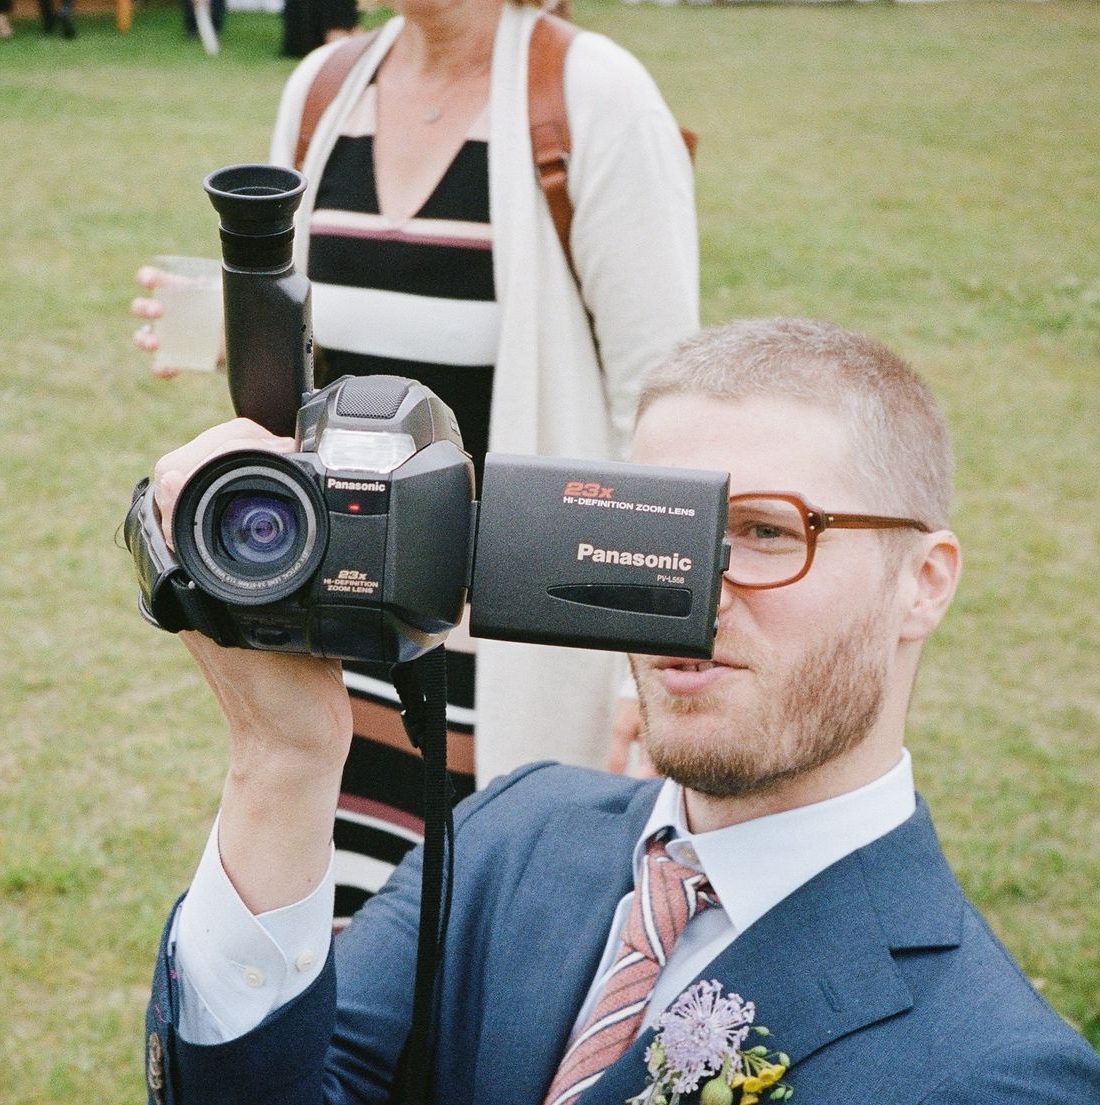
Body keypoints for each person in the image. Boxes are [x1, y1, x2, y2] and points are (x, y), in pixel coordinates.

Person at [137, 318, 1100, 1105]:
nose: (693, 591)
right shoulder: (513, 830)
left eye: (770, 531)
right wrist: (285, 763)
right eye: (661, 529)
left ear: (927, 582)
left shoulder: (1004, 1098)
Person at [134, 0, 698, 929]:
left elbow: (665, 409)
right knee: (344, 966)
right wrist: (234, 333)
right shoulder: (323, 90)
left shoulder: (593, 97)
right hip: (340, 651)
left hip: (512, 662)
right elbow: (306, 381)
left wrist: (637, 671)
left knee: (480, 968)